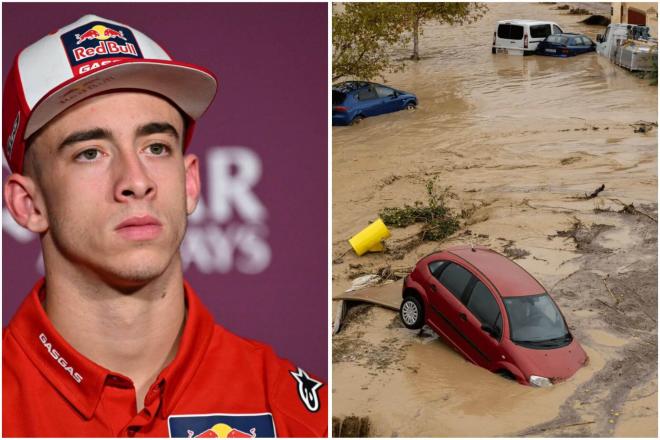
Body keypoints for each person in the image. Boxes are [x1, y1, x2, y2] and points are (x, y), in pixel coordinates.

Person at [2, 14, 326, 437]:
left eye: (155, 147)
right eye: (90, 153)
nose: (136, 181)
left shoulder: (291, 410)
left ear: (190, 181)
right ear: (28, 204)